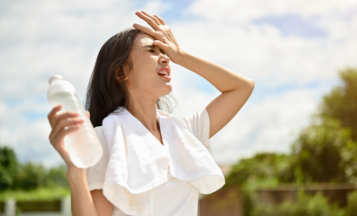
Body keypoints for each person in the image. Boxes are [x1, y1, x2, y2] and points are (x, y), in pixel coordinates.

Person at [47, 11, 255, 216]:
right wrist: (76, 172)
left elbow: (242, 87)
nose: (165, 58)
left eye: (164, 51)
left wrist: (180, 55)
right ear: (121, 72)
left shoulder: (185, 134)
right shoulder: (106, 139)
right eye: (152, 51)